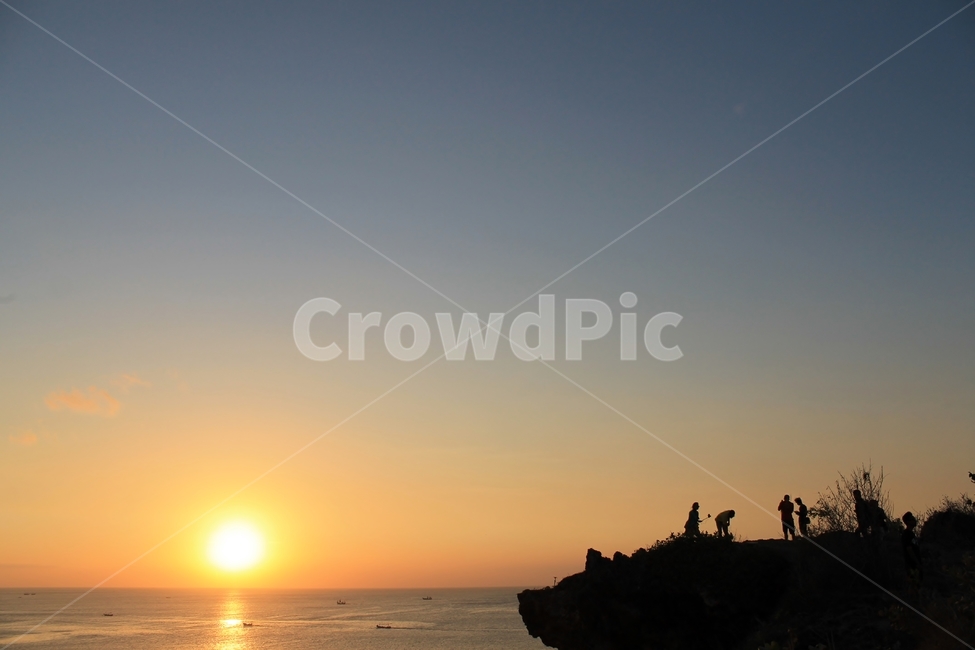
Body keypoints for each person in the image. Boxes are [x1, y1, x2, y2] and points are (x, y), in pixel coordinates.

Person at [901, 511, 922, 587]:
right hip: (911, 565)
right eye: (912, 519)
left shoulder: (912, 534)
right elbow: (909, 549)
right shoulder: (906, 534)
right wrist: (917, 562)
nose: (914, 520)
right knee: (913, 584)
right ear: (908, 522)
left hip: (914, 564)